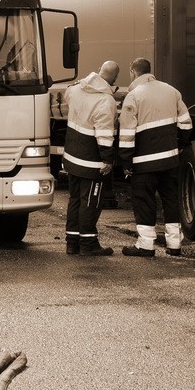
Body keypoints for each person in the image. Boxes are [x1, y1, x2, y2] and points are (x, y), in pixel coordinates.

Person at [118, 58, 192, 257]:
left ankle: (146, 245)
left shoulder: (133, 97)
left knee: (144, 202)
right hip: (170, 160)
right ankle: (175, 245)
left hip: (144, 163)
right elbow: (186, 124)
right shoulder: (171, 91)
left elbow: (126, 134)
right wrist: (179, 146)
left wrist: (126, 162)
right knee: (170, 200)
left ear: (133, 72)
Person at [62, 60, 120, 256]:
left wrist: (79, 83)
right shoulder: (106, 101)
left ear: (98, 71)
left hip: (71, 156)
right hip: (91, 161)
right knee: (91, 202)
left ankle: (72, 243)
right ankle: (88, 244)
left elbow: (67, 93)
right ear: (114, 81)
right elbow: (104, 134)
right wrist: (107, 160)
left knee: (75, 199)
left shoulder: (76, 89)